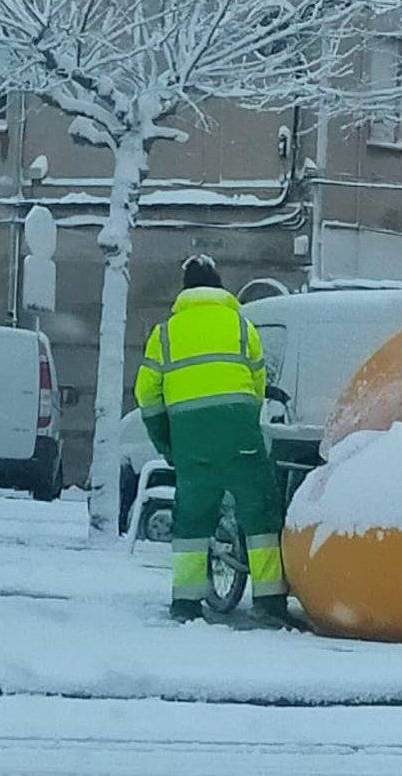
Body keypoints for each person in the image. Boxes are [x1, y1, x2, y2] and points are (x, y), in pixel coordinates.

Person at [134, 255, 289, 625]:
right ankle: (270, 602)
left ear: (184, 291)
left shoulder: (166, 333)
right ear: (221, 288)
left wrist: (167, 443)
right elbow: (257, 383)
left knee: (192, 519)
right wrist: (244, 426)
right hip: (239, 433)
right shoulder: (241, 325)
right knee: (260, 514)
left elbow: (147, 395)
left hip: (191, 439)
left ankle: (186, 603)